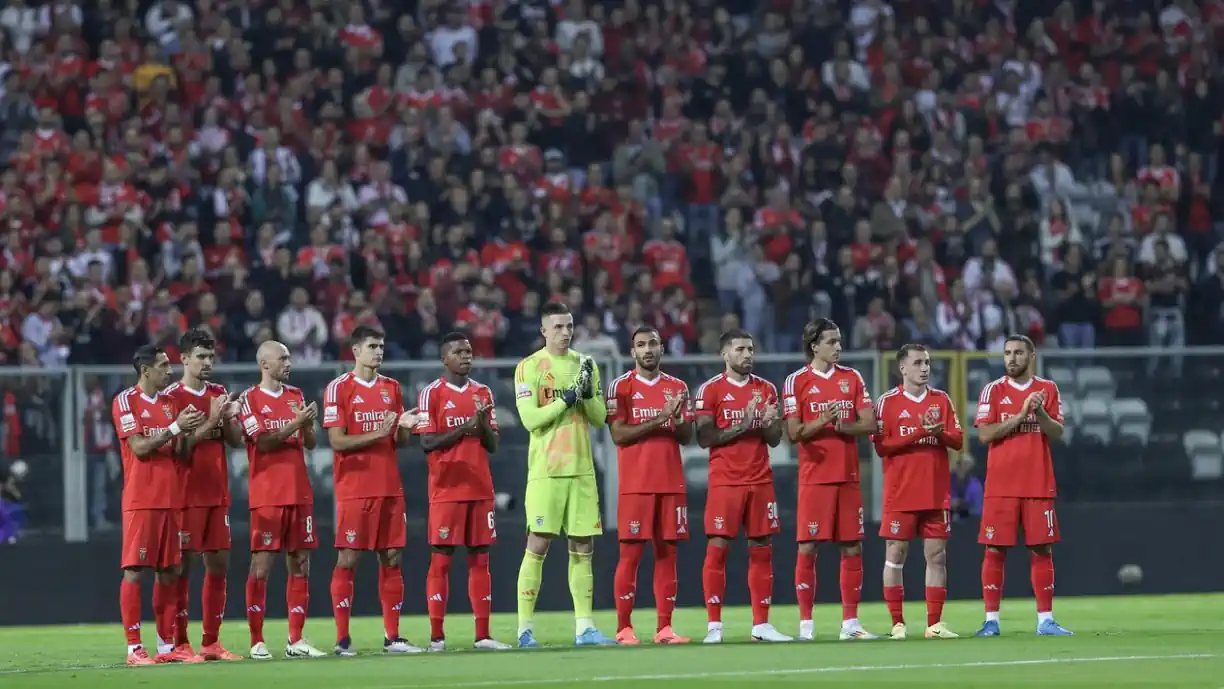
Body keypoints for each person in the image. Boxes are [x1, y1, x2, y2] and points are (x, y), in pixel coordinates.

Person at [513, 301, 615, 648]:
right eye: (557, 327)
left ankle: (584, 627)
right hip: (547, 470)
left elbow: (601, 418)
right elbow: (530, 419)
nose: (565, 332)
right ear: (543, 331)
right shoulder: (529, 367)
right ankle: (525, 629)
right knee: (538, 543)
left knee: (583, 546)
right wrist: (567, 398)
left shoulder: (586, 364)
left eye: (569, 326)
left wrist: (585, 396)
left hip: (582, 470)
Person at [324, 325, 422, 656]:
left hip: (389, 485)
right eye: (372, 346)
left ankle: (392, 637)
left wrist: (405, 429)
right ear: (355, 351)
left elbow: (397, 440)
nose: (378, 352)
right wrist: (380, 433)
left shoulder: (392, 388)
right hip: (355, 488)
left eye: (381, 346)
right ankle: (342, 639)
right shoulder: (338, 389)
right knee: (348, 558)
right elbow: (337, 441)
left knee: (392, 557)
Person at [782, 319, 877, 641]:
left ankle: (850, 624)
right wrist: (823, 419)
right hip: (814, 478)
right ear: (814, 346)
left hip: (848, 476)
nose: (838, 347)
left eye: (839, 341)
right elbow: (793, 433)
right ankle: (806, 625)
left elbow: (870, 423)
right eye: (832, 342)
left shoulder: (852, 378)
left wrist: (842, 426)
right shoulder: (796, 382)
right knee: (808, 547)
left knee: (852, 547)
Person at [111, 344, 206, 665]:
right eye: (164, 366)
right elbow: (139, 448)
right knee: (136, 571)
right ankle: (134, 648)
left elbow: (180, 452)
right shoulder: (126, 401)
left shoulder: (170, 403)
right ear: (146, 370)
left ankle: (166, 647)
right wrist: (176, 427)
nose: (170, 371)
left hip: (171, 499)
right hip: (142, 500)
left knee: (169, 571)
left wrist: (196, 428)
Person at [416, 332, 511, 651]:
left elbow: (493, 444)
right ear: (445, 358)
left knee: (480, 561)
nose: (466, 356)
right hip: (446, 489)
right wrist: (464, 428)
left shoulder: (483, 392)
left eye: (469, 351)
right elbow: (427, 442)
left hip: (480, 488)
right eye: (459, 352)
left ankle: (483, 635)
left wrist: (481, 425)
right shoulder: (431, 394)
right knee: (441, 561)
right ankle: (436, 637)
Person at [973, 335, 1073, 637]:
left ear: (1032, 356)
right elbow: (985, 435)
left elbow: (1057, 433)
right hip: (1001, 484)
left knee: (1041, 549)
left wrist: (1039, 412)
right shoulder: (993, 389)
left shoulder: (1049, 389)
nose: (1011, 358)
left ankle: (1045, 620)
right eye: (1007, 353)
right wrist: (1021, 415)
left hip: (1038, 482)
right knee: (995, 549)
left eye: (1018, 352)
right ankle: (991, 620)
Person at [694, 329, 789, 644]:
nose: (748, 355)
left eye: (750, 349)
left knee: (762, 549)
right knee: (718, 548)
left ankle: (761, 625)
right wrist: (744, 424)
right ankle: (714, 627)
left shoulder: (766, 389)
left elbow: (774, 439)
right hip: (726, 481)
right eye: (740, 349)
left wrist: (769, 423)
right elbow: (705, 438)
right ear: (725, 354)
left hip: (760, 479)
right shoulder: (710, 391)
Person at [238, 340, 327, 659]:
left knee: (300, 563)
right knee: (261, 565)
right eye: (283, 358)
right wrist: (296, 423)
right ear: (265, 364)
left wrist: (309, 424)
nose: (289, 363)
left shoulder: (297, 396)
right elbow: (262, 442)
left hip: (299, 490)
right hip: (267, 494)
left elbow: (311, 443)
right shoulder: (248, 398)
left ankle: (296, 639)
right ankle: (257, 640)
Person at [607, 326, 693, 645]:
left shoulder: (678, 387)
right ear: (633, 353)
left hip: (671, 482)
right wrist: (660, 418)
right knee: (630, 555)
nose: (647, 349)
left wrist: (679, 417)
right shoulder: (621, 387)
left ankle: (664, 628)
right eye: (641, 345)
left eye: (653, 343)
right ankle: (624, 628)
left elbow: (686, 437)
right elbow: (619, 435)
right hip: (636, 484)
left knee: (666, 555)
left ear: (661, 348)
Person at [872, 344, 963, 640]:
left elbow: (958, 440)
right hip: (901, 494)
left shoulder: (941, 399)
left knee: (937, 557)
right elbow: (881, 446)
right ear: (902, 367)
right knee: (895, 554)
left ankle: (934, 624)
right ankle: (897, 623)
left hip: (936, 493)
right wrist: (919, 433)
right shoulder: (887, 402)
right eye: (918, 363)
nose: (924, 368)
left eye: (927, 362)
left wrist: (939, 433)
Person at [163, 328, 244, 661]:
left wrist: (228, 417)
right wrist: (210, 420)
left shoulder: (219, 392)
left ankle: (211, 642)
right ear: (184, 359)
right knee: (183, 566)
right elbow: (178, 450)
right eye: (201, 356)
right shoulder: (172, 397)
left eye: (211, 356)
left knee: (219, 564)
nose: (208, 362)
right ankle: (179, 641)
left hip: (217, 490)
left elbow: (236, 441)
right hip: (186, 493)